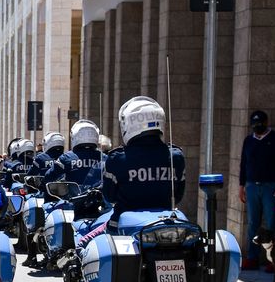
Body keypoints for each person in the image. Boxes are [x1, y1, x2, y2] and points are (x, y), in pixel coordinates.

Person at [102, 96, 185, 229]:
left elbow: (109, 196)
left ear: (128, 124)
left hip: (124, 229)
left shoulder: (117, 159)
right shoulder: (176, 156)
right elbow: (178, 195)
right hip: (166, 227)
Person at [238, 110, 275, 271]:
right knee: (253, 223)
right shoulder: (248, 140)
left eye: (260, 124)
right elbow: (243, 164)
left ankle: (274, 260)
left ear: (266, 123)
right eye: (254, 125)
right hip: (252, 186)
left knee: (272, 222)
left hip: (272, 187)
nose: (257, 127)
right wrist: (241, 186)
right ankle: (252, 258)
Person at [52, 119, 106, 192]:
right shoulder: (105, 158)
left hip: (74, 200)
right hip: (100, 200)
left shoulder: (66, 157)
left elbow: (50, 176)